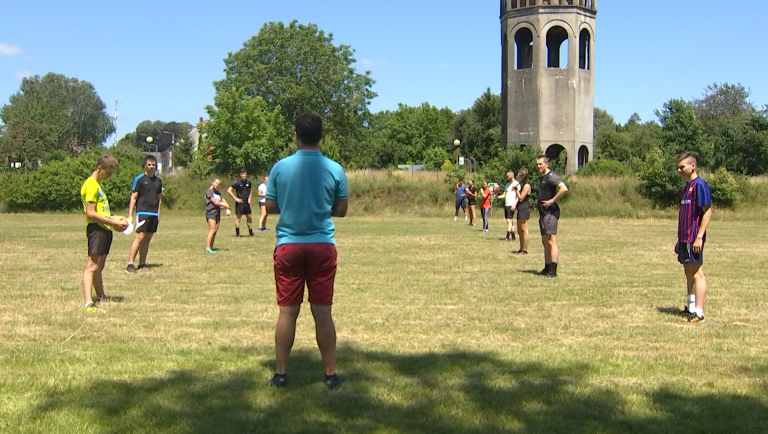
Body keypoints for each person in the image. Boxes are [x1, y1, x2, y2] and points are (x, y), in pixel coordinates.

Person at [265, 113, 348, 390]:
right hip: (322, 244)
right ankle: (330, 374)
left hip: (289, 244)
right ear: (321, 136)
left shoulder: (279, 168)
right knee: (322, 312)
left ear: (296, 135)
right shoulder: (335, 169)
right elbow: (342, 210)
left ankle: (280, 374)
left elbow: (271, 206)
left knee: (287, 312)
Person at [80, 155, 126, 311]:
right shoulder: (91, 185)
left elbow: (100, 211)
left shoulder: (98, 185)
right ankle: (88, 302)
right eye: (108, 173)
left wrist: (114, 219)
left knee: (100, 266)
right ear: (99, 168)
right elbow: (90, 213)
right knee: (91, 267)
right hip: (97, 230)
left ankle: (101, 296)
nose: (109, 176)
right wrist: (112, 222)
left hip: (105, 229)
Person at [675, 153, 712, 323]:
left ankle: (699, 313)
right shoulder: (687, 186)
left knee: (697, 273)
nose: (679, 170)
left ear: (693, 166)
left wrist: (699, 236)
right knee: (688, 272)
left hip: (693, 237)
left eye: (682, 167)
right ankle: (690, 307)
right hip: (684, 238)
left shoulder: (700, 185)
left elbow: (707, 212)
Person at [126, 155, 163, 273]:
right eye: (149, 165)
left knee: (147, 238)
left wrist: (158, 212)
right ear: (145, 165)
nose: (151, 167)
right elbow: (133, 197)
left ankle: (142, 262)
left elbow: (159, 198)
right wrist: (130, 215)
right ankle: (130, 263)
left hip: (153, 214)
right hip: (142, 212)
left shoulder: (158, 181)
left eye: (153, 165)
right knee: (140, 237)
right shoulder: (139, 179)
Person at [536, 155, 568, 277]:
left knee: (551, 240)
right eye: (537, 164)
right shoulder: (543, 177)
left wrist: (552, 201)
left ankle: (553, 271)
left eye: (540, 164)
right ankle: (547, 266)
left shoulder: (551, 176)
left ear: (546, 164)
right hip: (543, 213)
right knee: (545, 240)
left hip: (550, 213)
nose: (538, 166)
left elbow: (564, 188)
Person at [204, 179, 230, 254]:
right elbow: (215, 202)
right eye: (216, 183)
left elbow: (222, 199)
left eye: (218, 184)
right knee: (212, 230)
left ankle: (211, 247)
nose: (217, 185)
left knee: (215, 231)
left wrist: (227, 207)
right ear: (212, 182)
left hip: (217, 212)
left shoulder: (217, 192)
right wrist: (225, 205)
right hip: (211, 212)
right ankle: (207, 248)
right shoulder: (208, 191)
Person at [226, 168, 254, 237]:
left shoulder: (248, 182)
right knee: (238, 218)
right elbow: (229, 190)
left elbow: (250, 190)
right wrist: (235, 198)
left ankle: (251, 233)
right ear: (240, 175)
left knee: (249, 217)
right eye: (242, 174)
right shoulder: (237, 182)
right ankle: (238, 233)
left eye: (245, 174)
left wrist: (250, 198)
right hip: (240, 203)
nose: (244, 175)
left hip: (246, 203)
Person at [495, 171, 520, 241]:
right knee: (510, 221)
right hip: (507, 204)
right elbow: (504, 194)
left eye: (507, 176)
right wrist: (497, 196)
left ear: (512, 175)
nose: (506, 178)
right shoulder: (507, 184)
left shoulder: (516, 184)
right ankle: (513, 236)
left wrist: (514, 204)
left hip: (512, 204)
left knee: (509, 221)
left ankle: (507, 236)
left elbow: (518, 196)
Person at [514, 168, 532, 255]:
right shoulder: (521, 185)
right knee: (519, 230)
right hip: (520, 209)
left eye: (519, 175)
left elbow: (521, 198)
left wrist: (517, 190)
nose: (517, 176)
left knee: (524, 230)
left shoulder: (526, 186)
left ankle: (524, 250)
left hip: (524, 209)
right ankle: (521, 248)